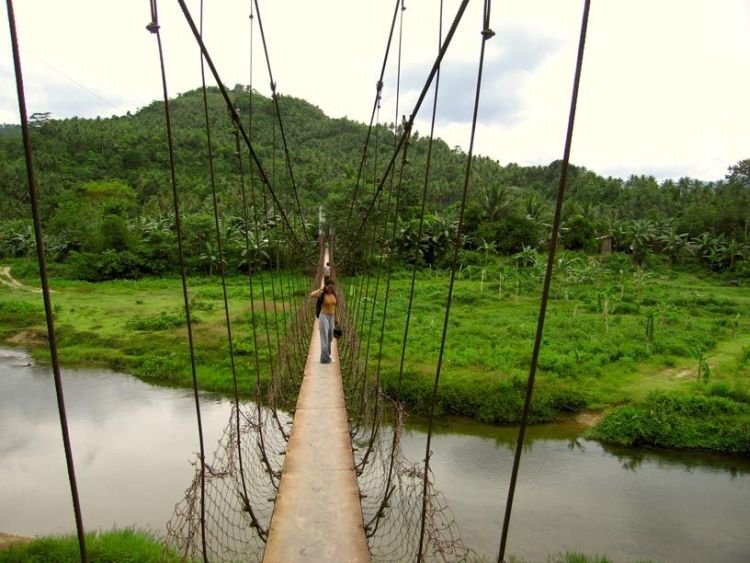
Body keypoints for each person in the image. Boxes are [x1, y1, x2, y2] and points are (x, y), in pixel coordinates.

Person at [310, 282, 337, 364]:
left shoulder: (334, 295)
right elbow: (312, 294)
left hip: (331, 317)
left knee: (330, 337)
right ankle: (325, 359)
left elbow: (335, 307)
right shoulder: (322, 295)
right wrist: (321, 289)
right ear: (326, 287)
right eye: (328, 287)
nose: (329, 289)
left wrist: (337, 319)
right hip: (323, 317)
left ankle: (327, 355)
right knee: (324, 337)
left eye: (331, 287)